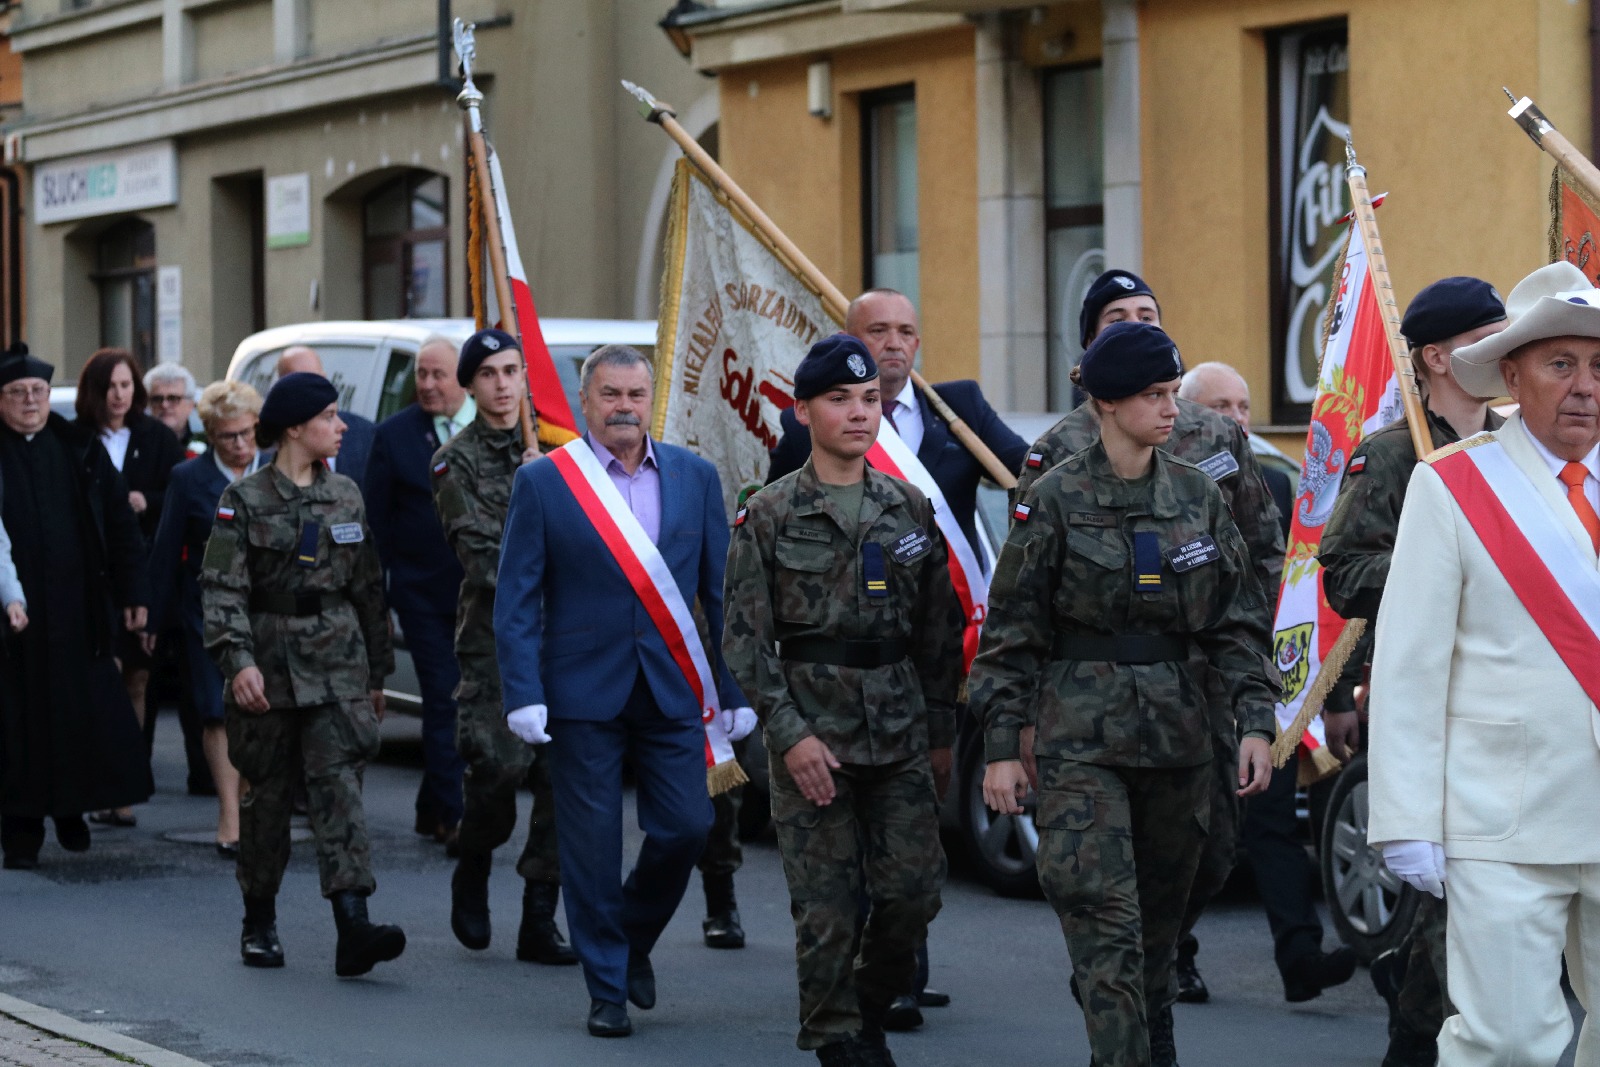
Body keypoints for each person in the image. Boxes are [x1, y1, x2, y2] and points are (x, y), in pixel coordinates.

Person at [973, 321, 1278, 1067]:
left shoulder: (1198, 494)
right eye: (1153, 394)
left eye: (1173, 392)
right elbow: (1011, 630)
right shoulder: (1054, 497)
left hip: (1178, 735)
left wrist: (1254, 721)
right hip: (1081, 740)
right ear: (1108, 402)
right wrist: (1001, 748)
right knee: (1101, 918)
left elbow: (1236, 619)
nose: (1171, 408)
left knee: (1158, 926)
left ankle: (1149, 1028)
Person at [1014, 270, 1307, 1006]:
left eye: (1147, 313)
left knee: (1208, 855)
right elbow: (1024, 605)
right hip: (1090, 704)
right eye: (1117, 317)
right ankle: (1122, 984)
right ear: (1090, 351)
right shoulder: (1057, 458)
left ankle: (1156, 952)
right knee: (1101, 879)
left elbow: (1259, 558)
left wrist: (1256, 691)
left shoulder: (1211, 439)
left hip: (1196, 686)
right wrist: (1014, 724)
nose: (1134, 324)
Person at [765, 287, 1024, 1019]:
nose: (893, 342)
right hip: (820, 697)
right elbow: (756, 613)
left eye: (906, 330)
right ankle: (865, 1009)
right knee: (836, 882)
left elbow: (1023, 473)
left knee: (911, 873)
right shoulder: (791, 475)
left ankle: (892, 975)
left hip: (912, 682)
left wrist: (942, 720)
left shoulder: (953, 413)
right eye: (877, 329)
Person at [1366, 260, 1600, 1067]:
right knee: (1506, 1041)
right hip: (1500, 816)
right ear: (1512, 374)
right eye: (1561, 364)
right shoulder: (1455, 487)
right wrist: (1404, 819)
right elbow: (1408, 666)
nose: (1584, 386)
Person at [494, 344, 752, 1037]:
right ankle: (606, 985)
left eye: (636, 395)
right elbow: (516, 595)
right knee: (591, 845)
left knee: (687, 827)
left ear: (650, 401)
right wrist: (522, 689)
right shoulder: (548, 483)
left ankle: (629, 936)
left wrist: (732, 686)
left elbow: (720, 592)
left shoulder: (696, 477)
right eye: (611, 395)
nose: (625, 408)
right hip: (581, 692)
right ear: (587, 403)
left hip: (673, 688)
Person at [723, 334, 963, 1066]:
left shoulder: (909, 507)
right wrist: (790, 735)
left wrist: (941, 732)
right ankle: (836, 1037)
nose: (859, 412)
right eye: (839, 399)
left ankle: (863, 1001)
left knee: (914, 892)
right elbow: (744, 641)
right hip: (813, 734)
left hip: (896, 730)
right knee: (826, 909)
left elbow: (937, 632)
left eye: (868, 399)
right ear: (802, 412)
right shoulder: (768, 515)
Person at [1318, 275, 1508, 1067]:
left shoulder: (1513, 445)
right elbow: (1343, 572)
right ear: (1436, 355)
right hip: (1429, 699)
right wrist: (1441, 563)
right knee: (1450, 908)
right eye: (1484, 338)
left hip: (1506, 694)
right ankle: (1412, 1037)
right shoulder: (1395, 454)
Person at [201, 371, 401, 977]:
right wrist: (238, 664)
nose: (341, 427)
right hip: (271, 666)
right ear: (295, 427)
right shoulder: (245, 500)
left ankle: (353, 924)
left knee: (339, 789)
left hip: (338, 663)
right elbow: (222, 590)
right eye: (330, 416)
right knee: (267, 801)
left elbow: (368, 587)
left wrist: (377, 673)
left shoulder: (346, 494)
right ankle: (258, 918)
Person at [431, 328, 573, 966]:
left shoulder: (558, 451)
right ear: (470, 385)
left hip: (562, 637)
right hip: (493, 641)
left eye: (512, 370)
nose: (503, 384)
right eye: (488, 373)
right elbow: (482, 559)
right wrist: (528, 498)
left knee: (561, 777)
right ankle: (475, 859)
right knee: (498, 770)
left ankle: (540, 915)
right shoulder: (453, 462)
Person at [0, 342, 151, 869]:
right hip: (11, 620)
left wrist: (135, 594)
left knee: (73, 717)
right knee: (15, 726)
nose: (29, 402)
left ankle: (70, 812)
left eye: (37, 392)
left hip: (73, 611)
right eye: (16, 393)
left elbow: (119, 523)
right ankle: (20, 830)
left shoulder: (77, 448)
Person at [145, 380, 267, 858]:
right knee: (217, 710)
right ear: (210, 436)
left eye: (247, 434)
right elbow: (165, 550)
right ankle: (230, 815)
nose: (240, 445)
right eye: (228, 437)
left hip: (269, 611)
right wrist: (150, 617)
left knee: (264, 707)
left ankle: (257, 803)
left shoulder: (277, 469)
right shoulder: (188, 479)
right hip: (208, 613)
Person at [365, 335, 471, 849]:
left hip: (482, 594)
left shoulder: (493, 427)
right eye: (421, 375)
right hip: (422, 595)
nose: (427, 385)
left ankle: (432, 803)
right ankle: (453, 814)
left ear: (463, 380)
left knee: (473, 703)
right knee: (443, 698)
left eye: (438, 375)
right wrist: (378, 601)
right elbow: (376, 527)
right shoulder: (395, 436)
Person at [75, 348, 184, 828]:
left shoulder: (156, 437)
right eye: (110, 387)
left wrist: (146, 500)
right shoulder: (77, 440)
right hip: (94, 577)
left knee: (138, 678)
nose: (119, 396)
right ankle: (100, 781)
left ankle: (126, 786)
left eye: (125, 385)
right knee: (102, 680)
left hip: (144, 567)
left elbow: (178, 494)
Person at [1179, 361, 1294, 537]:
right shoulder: (1170, 479)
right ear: (1185, 410)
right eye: (1221, 406)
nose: (1238, 417)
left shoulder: (1277, 482)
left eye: (1243, 407)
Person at [274, 346, 375, 486]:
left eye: (317, 379)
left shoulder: (365, 435)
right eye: (302, 382)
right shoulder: (267, 448)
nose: (313, 388)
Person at [145, 364, 202, 454]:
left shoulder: (207, 443)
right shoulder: (138, 445)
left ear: (190, 405)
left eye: (173, 398)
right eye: (157, 399)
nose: (164, 405)